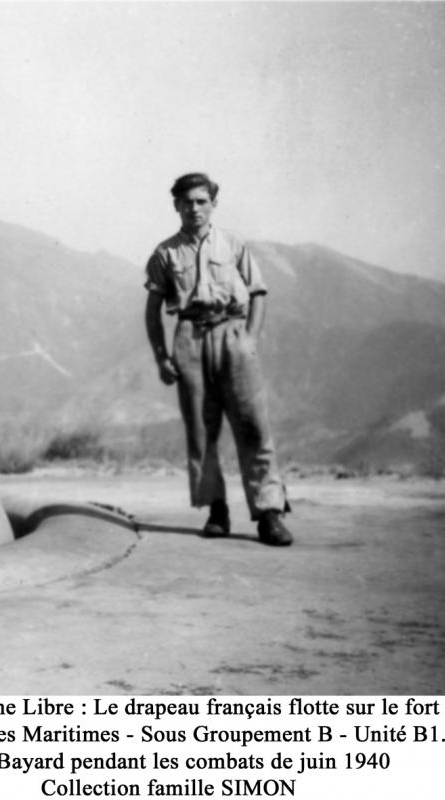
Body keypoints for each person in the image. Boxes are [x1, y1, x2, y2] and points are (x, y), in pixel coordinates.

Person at [143, 173, 293, 546]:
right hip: (190, 338)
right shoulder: (165, 253)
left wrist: (251, 340)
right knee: (201, 430)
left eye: (201, 201)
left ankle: (269, 513)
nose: (194, 208)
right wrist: (162, 356)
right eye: (187, 201)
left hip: (233, 334)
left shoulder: (233, 244)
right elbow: (152, 310)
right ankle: (216, 510)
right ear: (176, 205)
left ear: (213, 204)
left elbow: (258, 292)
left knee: (253, 426)